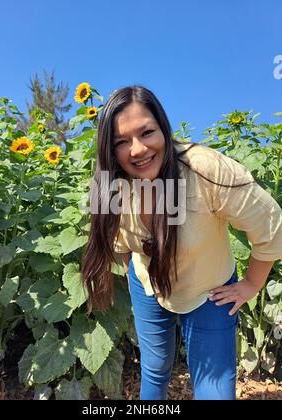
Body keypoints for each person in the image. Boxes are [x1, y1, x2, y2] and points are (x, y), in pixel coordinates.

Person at [82, 85, 282, 400]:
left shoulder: (204, 170)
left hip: (209, 290)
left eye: (147, 132)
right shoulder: (110, 186)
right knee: (156, 367)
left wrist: (251, 284)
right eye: (122, 141)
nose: (137, 149)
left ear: (164, 128)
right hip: (148, 283)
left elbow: (270, 223)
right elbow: (121, 247)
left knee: (213, 389)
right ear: (110, 149)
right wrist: (144, 276)